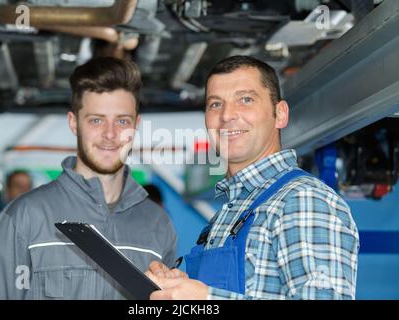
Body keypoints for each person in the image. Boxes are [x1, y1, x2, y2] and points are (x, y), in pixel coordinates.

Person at [146, 55, 359, 300]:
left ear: (280, 114)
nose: (227, 115)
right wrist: (181, 288)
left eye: (245, 100)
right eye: (215, 104)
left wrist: (206, 300)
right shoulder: (229, 213)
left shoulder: (302, 201)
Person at [0, 57, 177, 299]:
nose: (110, 134)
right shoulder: (23, 217)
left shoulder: (158, 225)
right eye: (96, 120)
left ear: (137, 124)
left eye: (122, 120)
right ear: (74, 123)